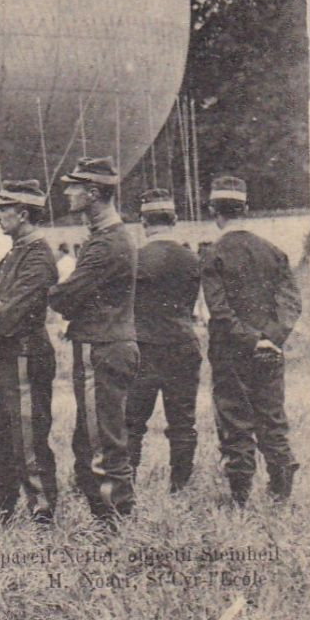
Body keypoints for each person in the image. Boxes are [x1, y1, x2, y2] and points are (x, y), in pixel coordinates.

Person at [48, 157, 139, 524]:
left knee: (100, 439)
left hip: (100, 347)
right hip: (106, 343)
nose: (67, 193)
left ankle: (114, 522)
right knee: (94, 436)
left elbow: (66, 298)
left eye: (74, 186)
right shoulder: (106, 239)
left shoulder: (105, 244)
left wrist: (49, 290)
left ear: (93, 193)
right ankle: (110, 518)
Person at [202, 175, 303, 505]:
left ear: (214, 211)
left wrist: (249, 339)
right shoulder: (273, 252)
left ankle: (240, 497)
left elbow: (218, 310)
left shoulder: (213, 254)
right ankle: (280, 491)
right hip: (270, 352)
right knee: (272, 418)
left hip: (231, 352)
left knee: (234, 422)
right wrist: (271, 337)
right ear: (246, 208)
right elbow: (291, 303)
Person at [0, 180, 60, 525]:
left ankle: (42, 513)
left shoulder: (37, 256)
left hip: (24, 357)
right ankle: (3, 510)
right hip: (4, 358)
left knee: (27, 439)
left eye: (4, 208)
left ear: (23, 213)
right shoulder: (12, 253)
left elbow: (8, 317)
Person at [126, 188, 203, 493]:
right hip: (182, 344)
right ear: (175, 219)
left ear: (143, 222)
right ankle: (179, 487)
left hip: (142, 347)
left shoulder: (135, 258)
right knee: (183, 423)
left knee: (131, 423)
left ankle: (126, 483)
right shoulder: (192, 259)